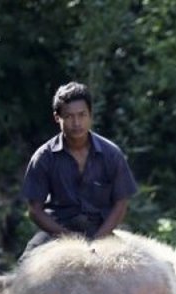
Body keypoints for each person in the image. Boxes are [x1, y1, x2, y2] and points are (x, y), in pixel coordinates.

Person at [20, 81, 138, 258]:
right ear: (57, 118)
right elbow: (35, 210)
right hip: (58, 231)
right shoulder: (44, 157)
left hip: (101, 230)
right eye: (69, 116)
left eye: (82, 115)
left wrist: (99, 239)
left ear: (90, 115)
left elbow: (121, 203)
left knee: (136, 268)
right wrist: (67, 236)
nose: (76, 123)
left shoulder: (111, 154)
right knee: (25, 267)